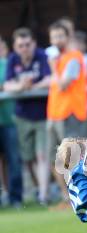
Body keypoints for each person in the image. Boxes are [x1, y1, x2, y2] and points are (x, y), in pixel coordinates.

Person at [4, 28, 51, 205]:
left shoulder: (41, 55)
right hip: (22, 116)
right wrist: (20, 87)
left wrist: (33, 85)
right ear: (15, 47)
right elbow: (7, 85)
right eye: (20, 45)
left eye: (27, 44)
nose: (25, 48)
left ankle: (43, 196)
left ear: (33, 44)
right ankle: (40, 188)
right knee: (28, 158)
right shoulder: (12, 60)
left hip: (42, 114)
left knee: (42, 155)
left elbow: (49, 79)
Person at [46, 21, 87, 210]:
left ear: (67, 37)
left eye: (60, 36)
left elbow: (63, 84)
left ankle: (80, 197)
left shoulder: (73, 58)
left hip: (70, 113)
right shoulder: (61, 59)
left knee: (72, 159)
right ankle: (67, 198)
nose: (57, 40)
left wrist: (53, 67)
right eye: (54, 37)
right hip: (55, 114)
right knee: (53, 158)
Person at [0, 36, 23, 207]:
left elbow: (13, 83)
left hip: (9, 120)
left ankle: (16, 198)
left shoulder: (8, 64)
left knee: (14, 159)